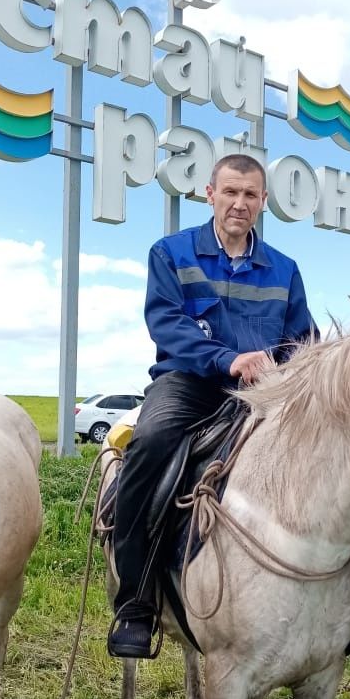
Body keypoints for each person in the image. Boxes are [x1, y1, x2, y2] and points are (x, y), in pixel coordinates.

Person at [108, 154, 318, 658]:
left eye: (250, 195)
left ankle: (345, 607)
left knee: (325, 455)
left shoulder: (285, 270)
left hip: (264, 389)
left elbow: (302, 337)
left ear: (263, 202)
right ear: (210, 194)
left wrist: (283, 365)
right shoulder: (171, 253)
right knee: (151, 444)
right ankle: (135, 601)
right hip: (189, 381)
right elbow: (168, 326)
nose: (239, 204)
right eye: (230, 192)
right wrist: (227, 359)